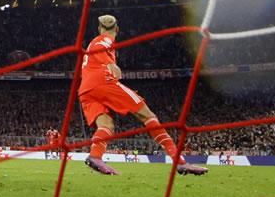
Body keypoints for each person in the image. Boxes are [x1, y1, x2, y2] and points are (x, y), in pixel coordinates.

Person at [78, 14, 206, 177]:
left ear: (98, 27)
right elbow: (100, 46)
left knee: (106, 126)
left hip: (86, 90)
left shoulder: (95, 42)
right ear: (117, 29)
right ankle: (179, 162)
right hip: (103, 83)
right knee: (148, 116)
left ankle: (95, 156)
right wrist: (110, 64)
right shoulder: (104, 39)